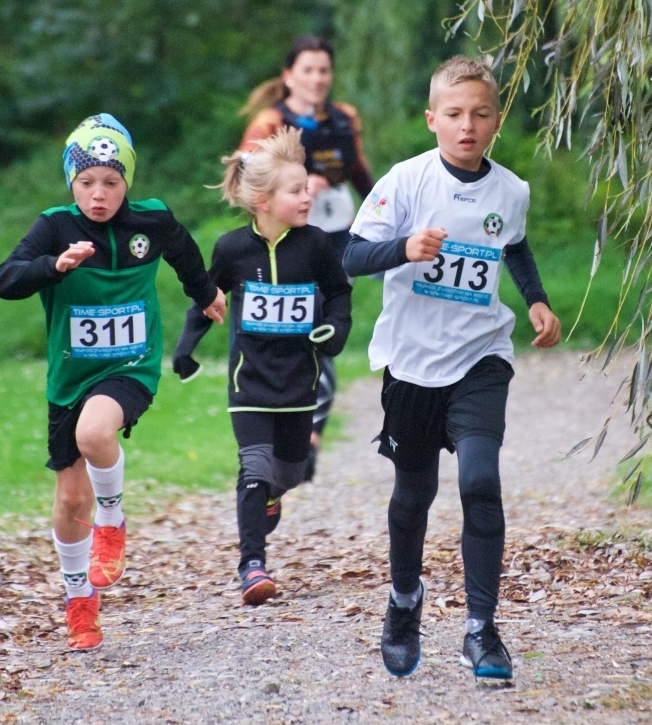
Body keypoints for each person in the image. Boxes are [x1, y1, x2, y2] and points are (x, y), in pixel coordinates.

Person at [343, 56, 563, 684]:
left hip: (480, 357)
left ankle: (481, 630)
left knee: (479, 480)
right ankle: (404, 602)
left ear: (496, 121)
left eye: (481, 114)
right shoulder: (406, 182)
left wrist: (537, 299)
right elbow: (351, 255)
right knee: (414, 495)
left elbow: (513, 245)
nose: (468, 125)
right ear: (432, 119)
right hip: (412, 363)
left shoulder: (511, 190)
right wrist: (403, 249)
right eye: (456, 114)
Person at [0, 114, 225, 651]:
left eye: (111, 182)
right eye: (86, 183)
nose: (99, 195)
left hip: (130, 366)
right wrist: (55, 265)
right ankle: (80, 604)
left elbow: (186, 253)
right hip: (69, 377)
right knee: (71, 500)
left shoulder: (151, 221)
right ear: (71, 184)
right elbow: (5, 280)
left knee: (96, 434)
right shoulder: (54, 227)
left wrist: (205, 292)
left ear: (129, 182)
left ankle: (114, 522)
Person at [171, 129, 353, 604]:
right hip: (248, 383)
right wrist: (187, 348)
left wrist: (336, 328)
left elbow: (339, 293)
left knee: (289, 471)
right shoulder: (232, 250)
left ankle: (272, 494)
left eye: (306, 186)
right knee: (253, 466)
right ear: (263, 200)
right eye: (296, 190)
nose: (308, 194)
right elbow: (207, 300)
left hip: (298, 384)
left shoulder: (314, 245)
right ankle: (252, 565)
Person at [239, 36, 373, 477]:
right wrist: (296, 186)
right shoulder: (269, 121)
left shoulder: (344, 118)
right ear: (288, 75)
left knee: (323, 336)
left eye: (324, 71)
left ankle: (310, 439)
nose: (317, 79)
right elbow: (244, 184)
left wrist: (389, 219)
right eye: (308, 70)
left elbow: (359, 173)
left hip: (334, 239)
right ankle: (279, 435)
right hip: (283, 242)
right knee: (285, 336)